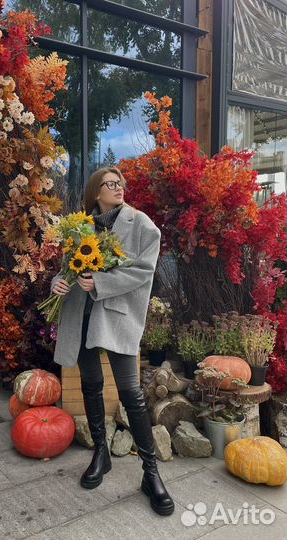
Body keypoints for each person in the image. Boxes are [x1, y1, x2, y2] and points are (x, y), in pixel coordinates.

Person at [50, 166, 175, 516]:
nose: (118, 187)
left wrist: (101, 284)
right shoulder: (79, 227)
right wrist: (56, 285)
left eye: (121, 183)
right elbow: (66, 270)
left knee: (131, 395)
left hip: (117, 316)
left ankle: (151, 474)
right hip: (82, 316)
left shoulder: (141, 224)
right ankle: (101, 454)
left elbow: (142, 271)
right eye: (110, 184)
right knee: (91, 385)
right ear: (95, 192)